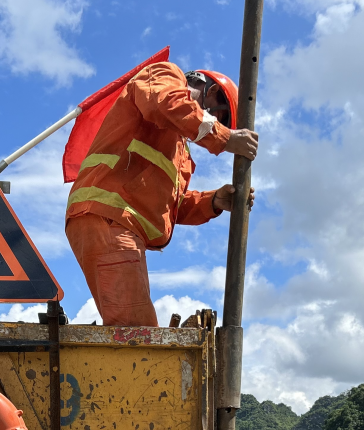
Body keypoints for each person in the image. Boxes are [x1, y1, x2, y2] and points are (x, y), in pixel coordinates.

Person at [65, 63, 259, 326]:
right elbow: (167, 103)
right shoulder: (165, 74)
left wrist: (212, 201)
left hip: (118, 223)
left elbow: (171, 205)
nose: (214, 123)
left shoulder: (177, 146)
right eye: (218, 117)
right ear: (211, 92)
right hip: (108, 216)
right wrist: (223, 137)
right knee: (139, 337)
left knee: (140, 334)